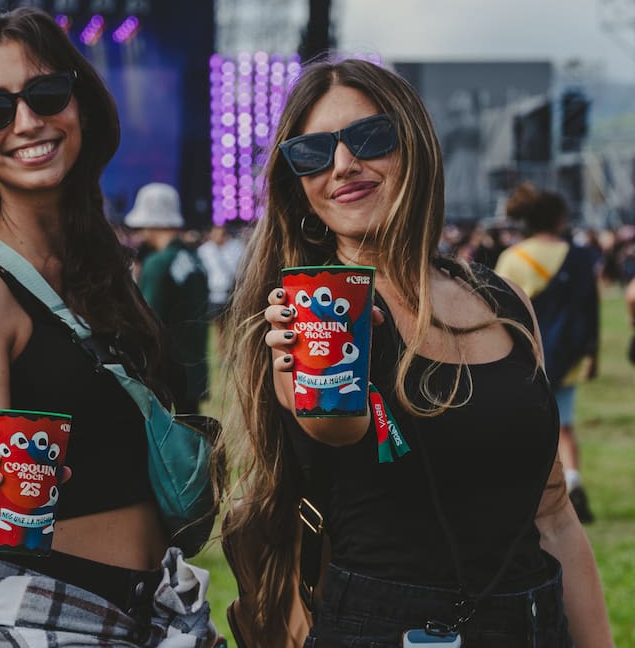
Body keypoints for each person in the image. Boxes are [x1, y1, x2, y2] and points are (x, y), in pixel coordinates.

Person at [219, 59, 611, 647]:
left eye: (369, 138)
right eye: (313, 153)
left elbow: (553, 513)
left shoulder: (505, 301)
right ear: (297, 185)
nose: (343, 165)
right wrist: (313, 368)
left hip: (532, 624)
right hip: (384, 627)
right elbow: (337, 427)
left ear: (416, 144)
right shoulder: (310, 315)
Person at [0, 7, 216, 646]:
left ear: (79, 104)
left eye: (47, 94)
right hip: (53, 613)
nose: (27, 122)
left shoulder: (99, 260)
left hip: (160, 605)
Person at [495, 183, 600, 525]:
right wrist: (592, 353)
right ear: (558, 219)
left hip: (525, 358)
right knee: (565, 425)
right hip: (567, 354)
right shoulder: (580, 255)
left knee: (526, 428)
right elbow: (590, 308)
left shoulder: (514, 257)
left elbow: (497, 311)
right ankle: (573, 482)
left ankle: (528, 493)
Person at [126, 182, 211, 413]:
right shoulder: (195, 260)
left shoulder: (158, 264)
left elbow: (144, 321)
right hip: (194, 368)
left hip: (165, 373)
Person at [198, 223, 245, 320]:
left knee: (231, 322)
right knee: (215, 324)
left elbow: (240, 270)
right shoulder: (204, 250)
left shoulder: (235, 247)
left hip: (231, 292)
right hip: (213, 294)